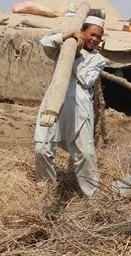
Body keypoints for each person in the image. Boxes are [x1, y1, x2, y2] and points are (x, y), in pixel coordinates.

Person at [34, 15, 107, 197]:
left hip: (78, 109)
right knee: (42, 149)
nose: (95, 39)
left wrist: (75, 57)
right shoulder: (65, 46)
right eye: (92, 34)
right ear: (82, 31)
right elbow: (45, 42)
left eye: (99, 37)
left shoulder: (98, 60)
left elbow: (87, 79)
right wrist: (67, 37)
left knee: (85, 154)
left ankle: (91, 195)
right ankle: (46, 188)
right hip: (53, 105)